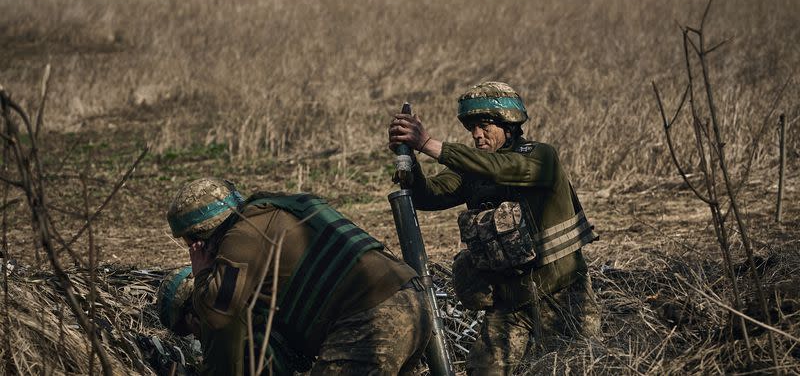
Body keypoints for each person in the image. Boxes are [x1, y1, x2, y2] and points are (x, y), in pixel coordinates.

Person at [388, 81, 600, 375]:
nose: (476, 134)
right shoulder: (473, 171)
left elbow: (501, 168)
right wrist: (409, 159)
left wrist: (427, 143)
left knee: (576, 367)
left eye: (484, 125)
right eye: (472, 128)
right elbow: (429, 196)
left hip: (563, 296)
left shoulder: (540, 157)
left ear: (508, 125)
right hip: (509, 303)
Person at [165, 178, 432, 375]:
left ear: (202, 236)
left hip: (369, 318)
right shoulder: (278, 209)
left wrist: (201, 274)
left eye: (192, 244)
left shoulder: (242, 234)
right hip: (412, 300)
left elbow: (218, 314)